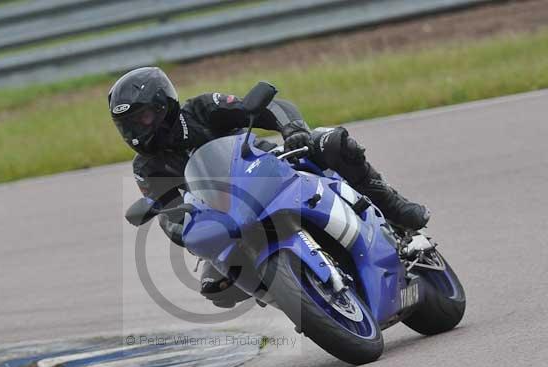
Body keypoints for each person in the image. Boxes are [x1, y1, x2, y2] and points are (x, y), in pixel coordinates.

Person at [109, 67, 430, 307]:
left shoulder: (202, 109)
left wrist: (293, 131)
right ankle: (301, 297)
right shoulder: (146, 168)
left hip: (272, 169)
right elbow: (169, 217)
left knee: (331, 142)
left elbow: (270, 107)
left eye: (144, 117)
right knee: (216, 288)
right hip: (227, 218)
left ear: (163, 105)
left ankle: (391, 206)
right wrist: (188, 230)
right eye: (127, 124)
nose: (136, 129)